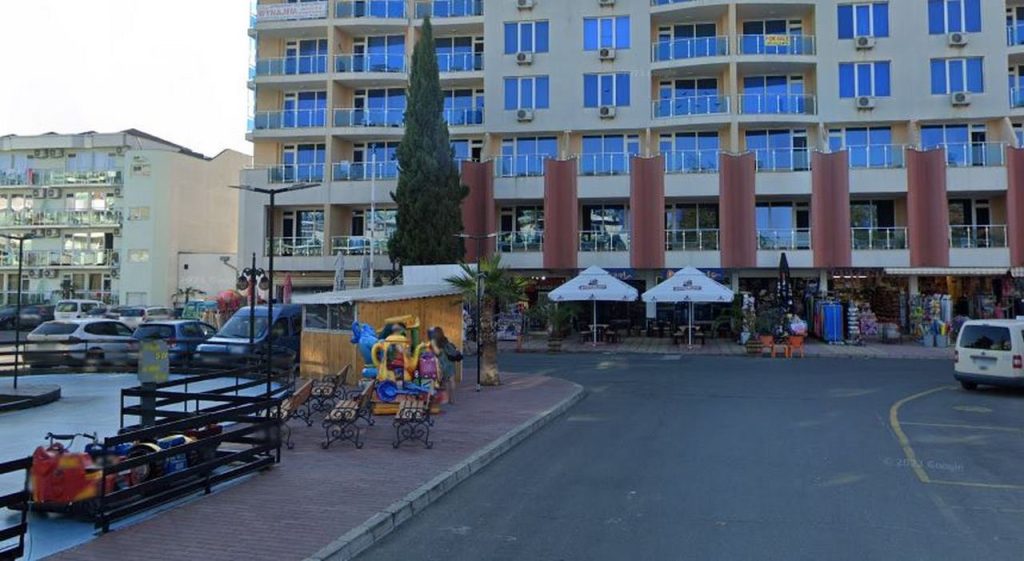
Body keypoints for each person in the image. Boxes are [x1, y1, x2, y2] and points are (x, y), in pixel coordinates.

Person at [429, 326, 462, 404]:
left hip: (442, 363)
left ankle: (447, 398)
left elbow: (437, 353)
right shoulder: (446, 340)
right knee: (452, 380)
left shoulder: (436, 342)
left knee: (445, 381)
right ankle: (452, 399)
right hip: (450, 363)